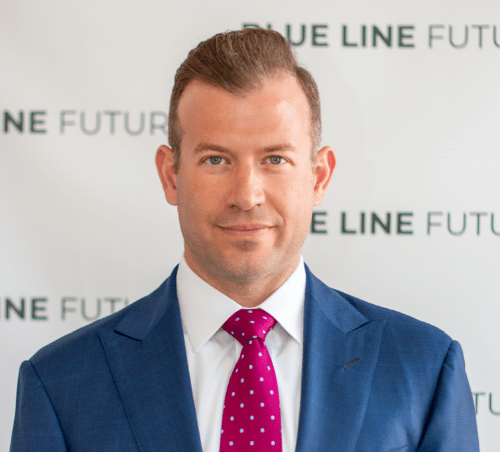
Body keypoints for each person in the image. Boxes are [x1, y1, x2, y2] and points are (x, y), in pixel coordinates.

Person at [10, 28, 479, 452]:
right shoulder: (60, 383)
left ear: (319, 176)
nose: (246, 195)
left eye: (275, 159)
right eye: (216, 160)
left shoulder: (423, 369)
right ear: (170, 175)